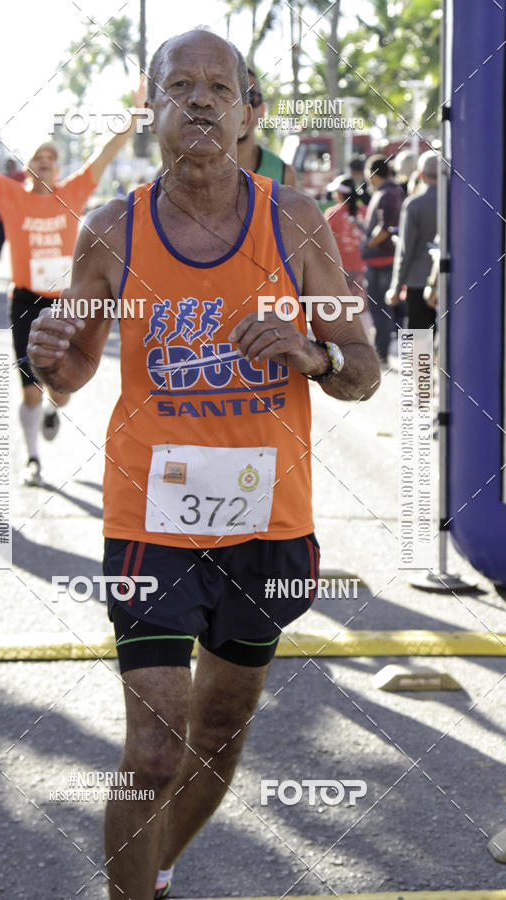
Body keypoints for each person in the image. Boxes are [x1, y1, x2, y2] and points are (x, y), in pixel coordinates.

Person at [28, 29, 380, 900]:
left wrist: (314, 355)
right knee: (152, 749)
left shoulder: (293, 220)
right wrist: (49, 357)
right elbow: (70, 369)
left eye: (218, 87)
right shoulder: (111, 230)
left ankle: (157, 871)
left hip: (268, 518)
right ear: (150, 107)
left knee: (220, 730)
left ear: (247, 110)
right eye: (179, 85)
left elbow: (363, 370)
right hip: (151, 513)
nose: (199, 101)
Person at [0, 78, 146, 486]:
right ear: (28, 167)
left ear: (58, 167)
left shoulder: (73, 191)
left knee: (60, 392)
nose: (45, 160)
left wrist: (135, 113)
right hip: (25, 299)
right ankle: (33, 460)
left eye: (51, 156)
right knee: (28, 387)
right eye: (38, 156)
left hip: (68, 300)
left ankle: (52, 408)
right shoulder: (11, 195)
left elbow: (108, 149)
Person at [385, 150, 438, 330]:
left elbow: (405, 251)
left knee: (417, 345)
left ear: (421, 175)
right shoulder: (459, 200)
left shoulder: (415, 204)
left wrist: (396, 287)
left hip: (418, 282)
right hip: (449, 281)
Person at [361, 154, 404, 365]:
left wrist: (369, 244)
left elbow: (385, 228)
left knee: (380, 309)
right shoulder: (392, 191)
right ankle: (381, 350)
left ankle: (380, 352)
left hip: (382, 261)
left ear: (374, 173)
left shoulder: (387, 193)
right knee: (381, 309)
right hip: (384, 259)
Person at [236, 67, 296, 185]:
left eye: (250, 97)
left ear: (263, 111)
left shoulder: (283, 174)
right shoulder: (194, 167)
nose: (242, 107)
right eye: (233, 95)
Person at [0, 158, 26, 261]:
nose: (10, 167)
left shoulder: (20, 177)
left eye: (12, 165)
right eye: (8, 165)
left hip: (16, 218)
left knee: (17, 245)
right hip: (0, 218)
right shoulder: (1, 178)